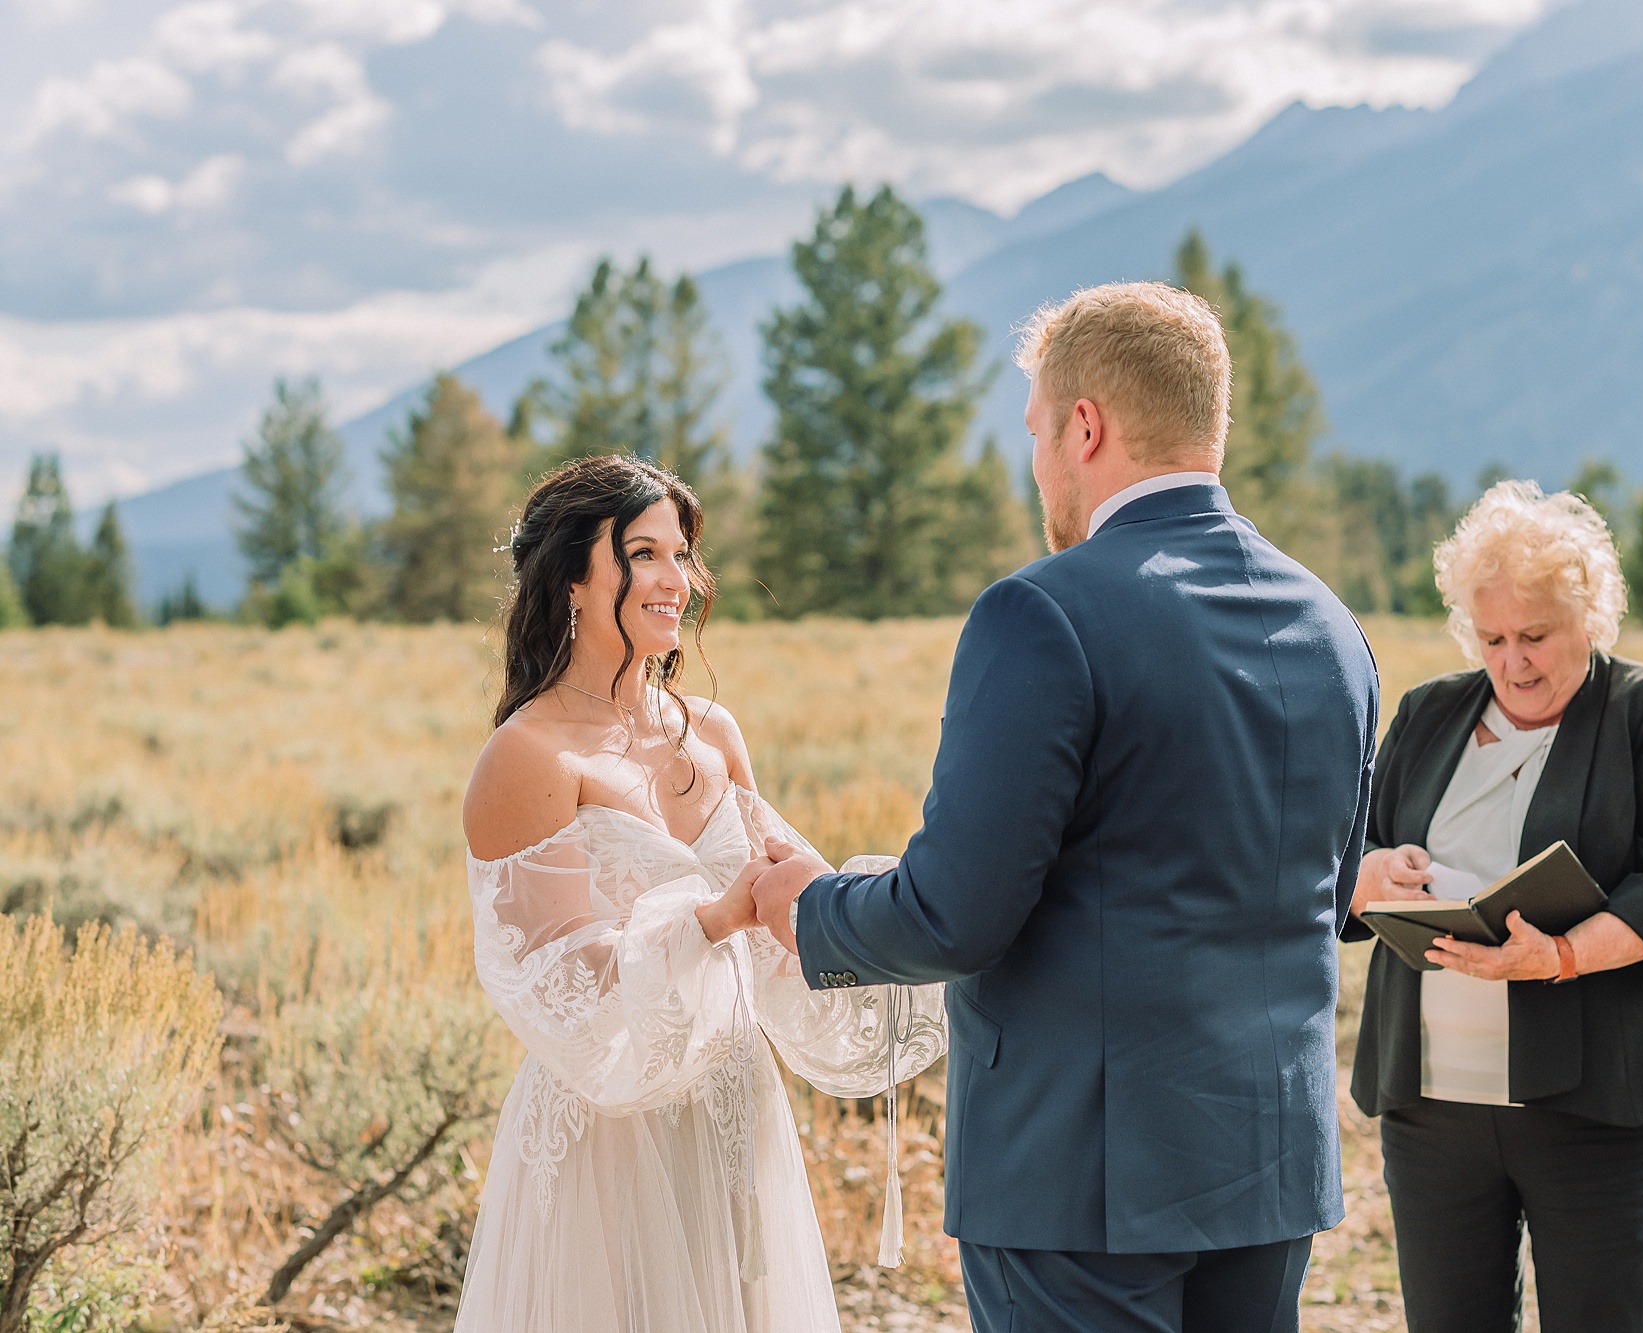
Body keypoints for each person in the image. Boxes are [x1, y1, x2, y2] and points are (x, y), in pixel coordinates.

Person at [744, 281, 1381, 1333]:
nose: (1036, 461)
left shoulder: (1040, 611)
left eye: (1038, 430)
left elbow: (954, 913)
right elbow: (1328, 891)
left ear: (1086, 427)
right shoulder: (1330, 625)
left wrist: (809, 903)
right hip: (1266, 1163)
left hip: (1079, 1170)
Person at [454, 454, 946, 1333]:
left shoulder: (714, 732)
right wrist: (715, 918)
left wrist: (886, 910)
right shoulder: (528, 757)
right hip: (610, 1137)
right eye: (643, 554)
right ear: (571, 575)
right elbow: (564, 987)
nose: (675, 579)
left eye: (682, 555)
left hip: (732, 1110)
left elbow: (795, 900)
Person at [1344, 480, 1643, 1333]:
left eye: (1535, 635)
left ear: (1589, 615)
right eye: (1492, 638)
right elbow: (1347, 863)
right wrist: (1375, 873)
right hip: (1433, 1108)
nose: (1513, 660)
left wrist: (1557, 957)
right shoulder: (1427, 714)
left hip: (1597, 1106)